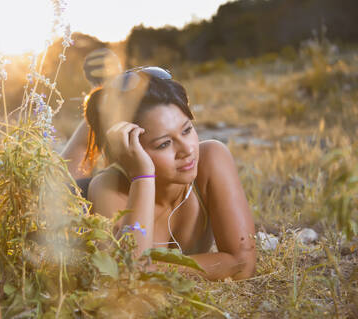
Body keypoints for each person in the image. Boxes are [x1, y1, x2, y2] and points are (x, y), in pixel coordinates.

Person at [62, 66, 256, 281]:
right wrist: (142, 176)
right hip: (75, 194)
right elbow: (126, 275)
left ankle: (113, 97)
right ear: (130, 150)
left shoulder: (212, 157)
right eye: (164, 144)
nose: (187, 150)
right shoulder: (108, 187)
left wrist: (151, 270)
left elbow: (242, 265)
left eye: (187, 129)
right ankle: (101, 110)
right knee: (58, 182)